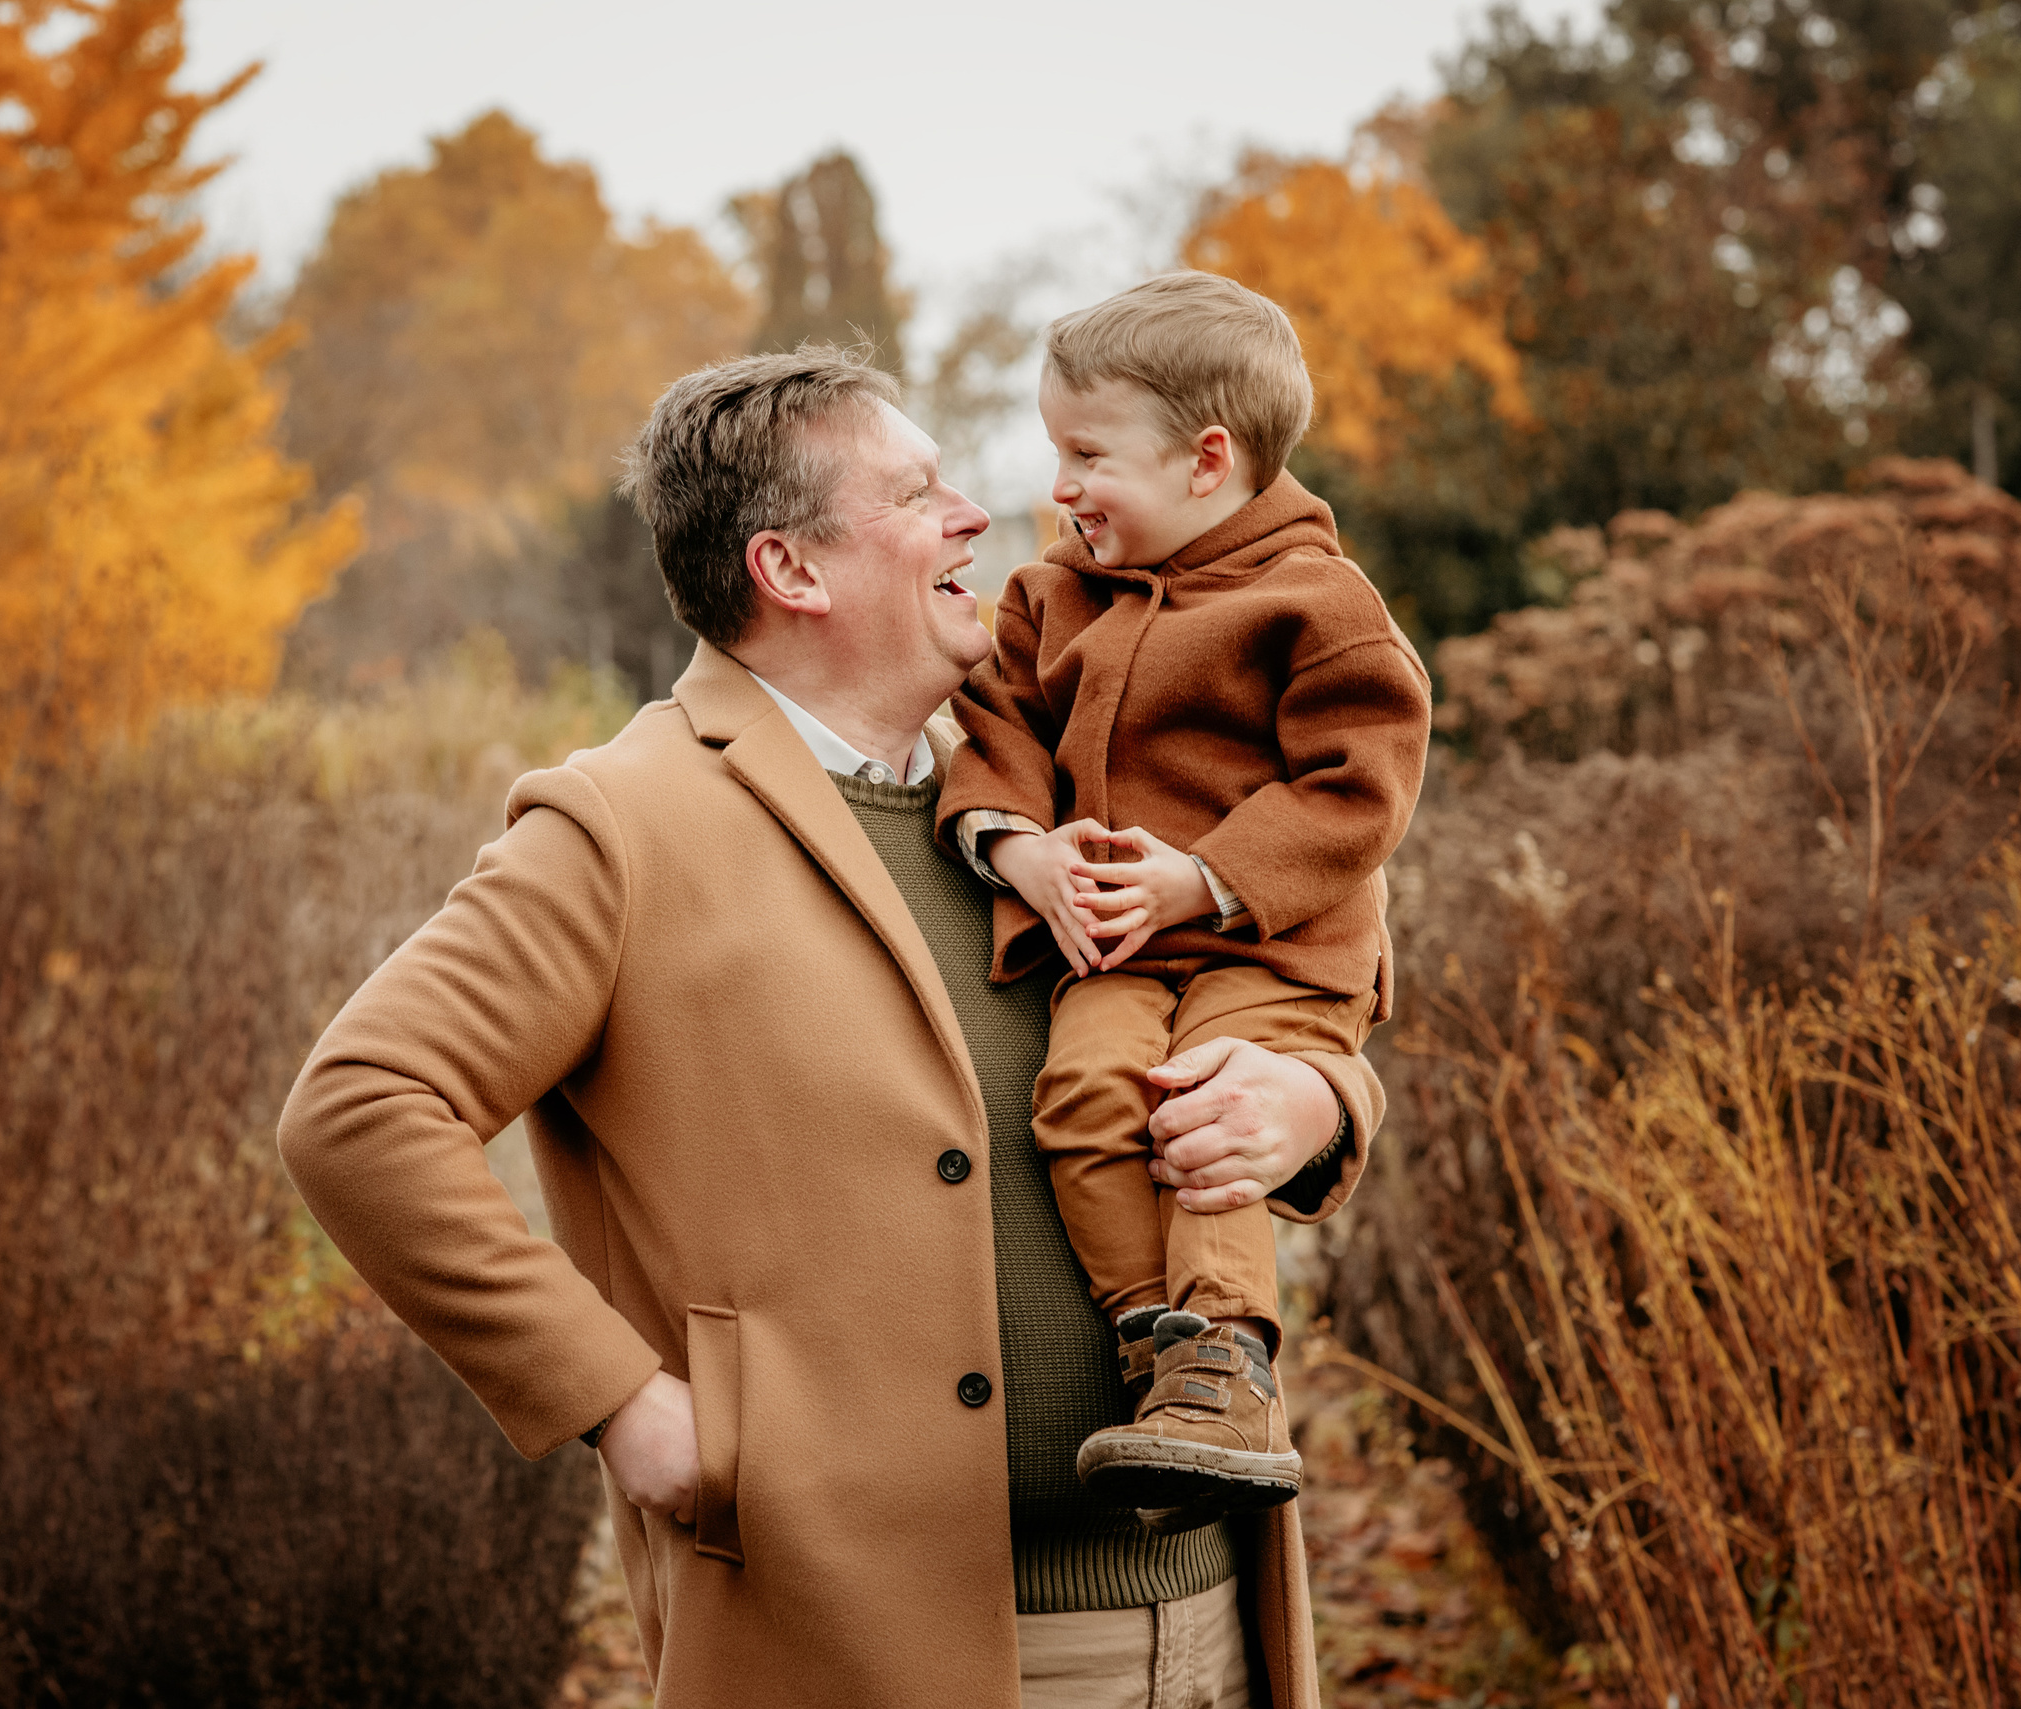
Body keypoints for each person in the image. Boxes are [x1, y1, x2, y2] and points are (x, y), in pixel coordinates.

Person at [276, 347, 1386, 1709]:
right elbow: (362, 1108)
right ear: (791, 570)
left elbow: (1285, 974)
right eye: (920, 492)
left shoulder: (1057, 771)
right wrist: (616, 1396)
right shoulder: (624, 824)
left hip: (1212, 1618)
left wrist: (1316, 1105)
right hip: (876, 1649)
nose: (978, 515)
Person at [939, 273, 1430, 1531]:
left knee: (1205, 1104)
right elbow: (993, 728)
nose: (1059, 487)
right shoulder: (1050, 597)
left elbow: (1358, 781)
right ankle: (1160, 1352)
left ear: (1208, 460)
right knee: (1086, 1098)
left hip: (1272, 942)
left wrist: (1202, 875)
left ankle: (1225, 1357)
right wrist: (1019, 850)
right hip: (1111, 937)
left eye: (1085, 454)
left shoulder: (1319, 606)